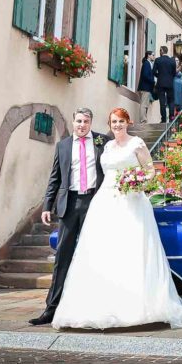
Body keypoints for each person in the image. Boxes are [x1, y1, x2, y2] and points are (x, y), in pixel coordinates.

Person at [51, 109, 182, 330]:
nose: (117, 125)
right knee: (103, 252)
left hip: (132, 201)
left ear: (128, 122)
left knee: (131, 250)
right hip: (104, 202)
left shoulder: (137, 143)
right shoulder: (106, 145)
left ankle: (137, 307)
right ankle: (98, 305)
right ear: (109, 124)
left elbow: (150, 171)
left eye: (121, 121)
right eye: (114, 121)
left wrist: (136, 180)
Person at [29, 109, 108, 326]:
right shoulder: (63, 145)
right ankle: (51, 309)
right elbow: (55, 177)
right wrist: (47, 205)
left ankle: (94, 307)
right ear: (73, 122)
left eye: (86, 121)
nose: (82, 125)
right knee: (62, 257)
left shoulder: (103, 141)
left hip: (94, 202)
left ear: (91, 122)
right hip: (69, 204)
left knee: (94, 255)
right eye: (79, 121)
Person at [151, 46, 176, 122]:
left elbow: (153, 72)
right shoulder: (172, 61)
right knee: (171, 101)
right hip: (170, 83)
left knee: (162, 102)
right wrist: (169, 77)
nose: (159, 51)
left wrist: (159, 76)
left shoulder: (158, 60)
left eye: (160, 50)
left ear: (162, 51)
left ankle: (164, 119)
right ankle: (171, 118)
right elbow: (174, 73)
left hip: (161, 83)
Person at [136, 52, 155, 123]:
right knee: (144, 104)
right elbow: (145, 75)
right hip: (145, 87)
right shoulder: (147, 63)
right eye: (153, 55)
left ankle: (144, 119)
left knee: (145, 104)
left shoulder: (148, 63)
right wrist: (153, 81)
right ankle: (143, 120)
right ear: (148, 56)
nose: (154, 57)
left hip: (145, 88)